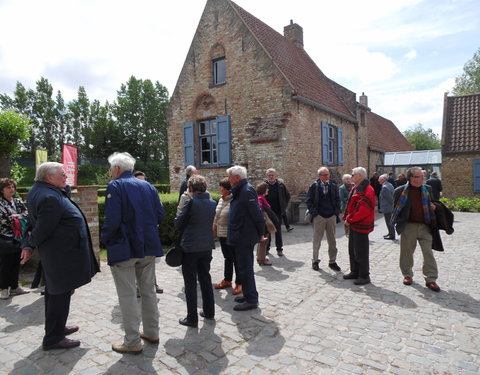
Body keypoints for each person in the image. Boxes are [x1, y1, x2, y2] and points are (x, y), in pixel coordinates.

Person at [20, 162, 99, 350]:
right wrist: (29, 245)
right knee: (59, 294)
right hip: (61, 256)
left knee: (56, 293)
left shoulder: (41, 190)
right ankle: (53, 338)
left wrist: (29, 244)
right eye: (62, 174)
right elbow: (42, 227)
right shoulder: (49, 197)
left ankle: (57, 328)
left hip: (58, 254)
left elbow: (33, 222)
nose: (66, 177)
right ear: (49, 177)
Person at [101, 152, 165, 354]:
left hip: (124, 247)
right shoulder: (148, 186)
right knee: (148, 291)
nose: (110, 172)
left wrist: (104, 239)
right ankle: (152, 332)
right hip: (147, 245)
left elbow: (112, 220)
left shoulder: (116, 185)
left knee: (128, 294)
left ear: (117, 169)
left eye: (111, 168)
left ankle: (132, 341)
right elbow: (160, 215)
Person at [174, 175, 216, 327]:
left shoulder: (191, 203)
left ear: (191, 188)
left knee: (190, 283)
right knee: (205, 279)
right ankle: (209, 312)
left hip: (191, 248)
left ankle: (192, 318)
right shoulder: (212, 203)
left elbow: (178, 224)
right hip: (206, 247)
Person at [390, 166, 440, 292]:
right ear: (411, 178)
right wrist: (399, 223)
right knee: (406, 253)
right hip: (409, 226)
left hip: (425, 226)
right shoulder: (400, 191)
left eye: (423, 176)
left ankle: (431, 279)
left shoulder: (427, 189)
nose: (423, 178)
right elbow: (395, 208)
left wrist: (434, 207)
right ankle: (407, 275)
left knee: (428, 253)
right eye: (420, 176)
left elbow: (434, 204)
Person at [226, 166, 266, 311]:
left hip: (244, 235)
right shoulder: (241, 190)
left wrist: (261, 233)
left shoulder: (246, 190)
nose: (228, 180)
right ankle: (248, 293)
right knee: (243, 267)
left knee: (246, 268)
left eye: (230, 177)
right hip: (240, 234)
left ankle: (251, 299)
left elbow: (257, 214)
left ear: (237, 177)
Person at [342, 167, 376, 285]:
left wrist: (350, 219)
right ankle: (355, 271)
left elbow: (363, 210)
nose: (351, 177)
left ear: (360, 176)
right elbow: (351, 204)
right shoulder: (356, 188)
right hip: (354, 224)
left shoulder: (368, 189)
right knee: (352, 250)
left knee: (361, 251)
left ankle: (364, 275)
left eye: (353, 175)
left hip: (361, 225)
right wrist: (347, 217)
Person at [306, 167, 341, 272]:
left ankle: (332, 261)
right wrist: (315, 214)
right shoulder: (314, 186)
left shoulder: (334, 186)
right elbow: (309, 201)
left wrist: (336, 212)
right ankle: (315, 261)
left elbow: (338, 200)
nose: (327, 177)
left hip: (331, 216)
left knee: (332, 241)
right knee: (317, 240)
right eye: (324, 175)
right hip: (319, 217)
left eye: (328, 174)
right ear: (319, 176)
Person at [133, 171, 163, 295]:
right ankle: (138, 286)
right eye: (139, 181)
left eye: (143, 181)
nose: (142, 183)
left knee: (150, 261)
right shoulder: (131, 196)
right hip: (136, 234)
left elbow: (160, 212)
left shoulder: (151, 193)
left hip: (149, 233)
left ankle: (154, 283)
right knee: (137, 261)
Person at [0, 178, 29, 299]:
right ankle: (3, 288)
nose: (11, 189)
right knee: (5, 264)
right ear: (2, 190)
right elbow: (4, 220)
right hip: (5, 238)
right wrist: (19, 217)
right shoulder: (1, 203)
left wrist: (17, 217)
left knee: (17, 262)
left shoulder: (17, 201)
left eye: (13, 187)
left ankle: (15, 286)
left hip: (18, 237)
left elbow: (27, 214)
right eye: (8, 187)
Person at [212, 178, 242, 295]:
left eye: (222, 187)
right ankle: (227, 280)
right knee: (227, 258)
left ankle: (239, 283)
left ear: (228, 190)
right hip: (222, 234)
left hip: (231, 234)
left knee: (236, 259)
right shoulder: (221, 199)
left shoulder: (234, 201)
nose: (220, 189)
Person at [265, 168, 292, 246]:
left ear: (276, 175)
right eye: (269, 175)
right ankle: (267, 248)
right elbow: (259, 196)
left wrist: (284, 206)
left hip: (278, 211)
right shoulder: (264, 185)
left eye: (272, 175)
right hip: (267, 212)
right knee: (267, 230)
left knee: (278, 230)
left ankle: (279, 248)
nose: (271, 177)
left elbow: (288, 196)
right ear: (267, 176)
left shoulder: (281, 185)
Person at [256, 182, 279, 266]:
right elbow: (260, 209)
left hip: (264, 222)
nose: (268, 190)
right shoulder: (260, 198)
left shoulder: (261, 197)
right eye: (267, 189)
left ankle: (260, 257)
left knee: (263, 241)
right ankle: (262, 259)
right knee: (264, 241)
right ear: (264, 190)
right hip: (264, 223)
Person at [378, 174, 395, 240]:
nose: (378, 180)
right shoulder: (389, 184)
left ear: (383, 180)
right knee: (389, 221)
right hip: (389, 207)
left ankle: (392, 235)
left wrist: (392, 206)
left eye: (379, 179)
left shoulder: (385, 187)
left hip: (387, 207)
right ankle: (390, 233)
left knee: (388, 221)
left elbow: (389, 198)